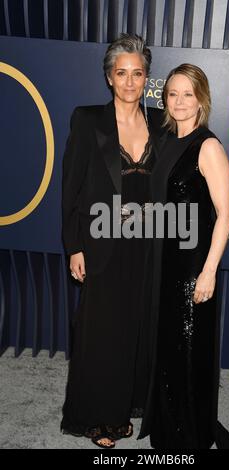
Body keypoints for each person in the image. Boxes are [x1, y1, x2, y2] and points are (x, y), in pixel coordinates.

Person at [60, 34, 166, 448]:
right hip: (101, 243)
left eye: (137, 73)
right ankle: (100, 418)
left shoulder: (161, 122)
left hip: (148, 244)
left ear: (145, 79)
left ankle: (127, 407)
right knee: (101, 334)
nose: (129, 82)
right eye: (121, 73)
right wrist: (75, 246)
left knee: (137, 329)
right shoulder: (88, 120)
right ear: (108, 77)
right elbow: (71, 188)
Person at [141, 64, 229, 448]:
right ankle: (166, 427)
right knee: (165, 349)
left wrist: (209, 272)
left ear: (201, 100)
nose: (179, 102)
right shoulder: (163, 140)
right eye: (173, 94)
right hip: (163, 262)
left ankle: (190, 435)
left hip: (193, 266)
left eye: (188, 95)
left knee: (189, 352)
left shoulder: (208, 146)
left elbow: (226, 215)